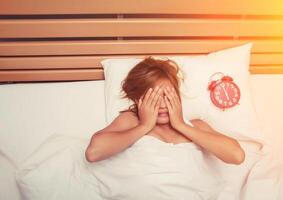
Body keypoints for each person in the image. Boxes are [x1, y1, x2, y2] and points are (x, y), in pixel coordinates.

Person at [85, 56, 245, 165]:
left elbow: (236, 156)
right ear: (137, 99)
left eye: (167, 95)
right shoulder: (131, 121)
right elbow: (94, 153)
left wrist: (181, 125)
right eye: (153, 97)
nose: (162, 104)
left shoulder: (195, 125)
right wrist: (144, 126)